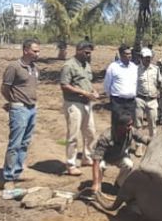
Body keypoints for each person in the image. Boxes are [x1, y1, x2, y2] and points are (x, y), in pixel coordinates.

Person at [1, 38, 41, 185]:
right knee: (15, 143)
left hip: (32, 109)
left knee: (25, 143)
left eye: (38, 51)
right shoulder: (14, 67)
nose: (38, 54)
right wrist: (12, 102)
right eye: (35, 51)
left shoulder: (34, 68)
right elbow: (5, 88)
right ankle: (8, 177)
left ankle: (18, 171)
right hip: (19, 109)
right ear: (25, 50)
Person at [88, 107, 149, 202]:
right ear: (119, 126)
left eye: (131, 124)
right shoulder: (106, 137)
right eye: (128, 125)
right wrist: (95, 183)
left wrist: (154, 141)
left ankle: (118, 185)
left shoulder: (131, 130)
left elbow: (143, 138)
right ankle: (97, 189)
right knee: (100, 166)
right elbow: (96, 160)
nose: (130, 127)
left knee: (129, 165)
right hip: (104, 158)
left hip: (119, 157)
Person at [59, 40, 99, 176]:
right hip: (74, 104)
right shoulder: (69, 65)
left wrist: (93, 91)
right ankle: (70, 164)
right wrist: (83, 92)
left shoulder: (86, 65)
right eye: (86, 52)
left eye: (90, 53)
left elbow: (87, 81)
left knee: (91, 133)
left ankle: (87, 158)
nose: (88, 55)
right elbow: (64, 85)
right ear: (78, 50)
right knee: (73, 135)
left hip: (87, 103)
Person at [103, 43, 138, 132]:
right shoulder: (113, 67)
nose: (129, 56)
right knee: (117, 125)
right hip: (118, 103)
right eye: (126, 54)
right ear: (121, 54)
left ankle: (128, 144)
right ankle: (115, 144)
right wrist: (111, 98)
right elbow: (107, 84)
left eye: (130, 54)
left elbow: (136, 83)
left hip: (131, 102)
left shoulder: (134, 67)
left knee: (131, 126)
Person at [135, 47, 162, 140]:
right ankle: (139, 145)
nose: (148, 59)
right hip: (139, 99)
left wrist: (158, 92)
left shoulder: (156, 69)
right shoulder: (136, 69)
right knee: (138, 124)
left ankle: (152, 145)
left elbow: (159, 82)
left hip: (152, 100)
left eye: (149, 57)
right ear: (141, 57)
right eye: (146, 57)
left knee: (153, 124)